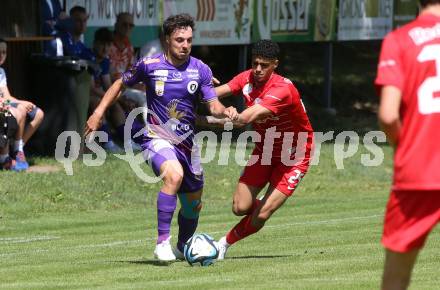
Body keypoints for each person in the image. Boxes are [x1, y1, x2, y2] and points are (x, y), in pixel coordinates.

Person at [84, 13, 237, 261]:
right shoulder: (149, 65)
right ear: (167, 39)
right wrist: (98, 112)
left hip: (188, 144)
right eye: (179, 40)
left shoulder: (201, 69)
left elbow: (213, 105)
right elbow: (119, 84)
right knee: (173, 175)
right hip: (156, 136)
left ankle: (182, 246)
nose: (185, 44)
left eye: (189, 39)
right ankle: (161, 243)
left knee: (192, 205)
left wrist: (225, 111)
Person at [213, 39, 314, 260]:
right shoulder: (246, 77)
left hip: (294, 156)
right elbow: (214, 93)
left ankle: (223, 244)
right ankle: (262, 211)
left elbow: (244, 119)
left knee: (262, 214)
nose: (258, 69)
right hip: (265, 150)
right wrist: (195, 83)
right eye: (255, 63)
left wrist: (212, 118)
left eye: (264, 65)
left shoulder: (282, 89)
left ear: (275, 64)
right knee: (240, 207)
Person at [375, 1, 440, 289]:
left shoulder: (399, 40)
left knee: (397, 279)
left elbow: (388, 116)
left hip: (419, 172)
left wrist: (406, 147)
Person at [0, 38, 44, 171]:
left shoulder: (1, 72)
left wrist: (21, 102)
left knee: (38, 113)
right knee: (17, 112)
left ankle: (17, 150)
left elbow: (6, 96)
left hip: (3, 104)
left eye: (4, 52)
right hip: (2, 108)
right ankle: (7, 157)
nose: (2, 55)